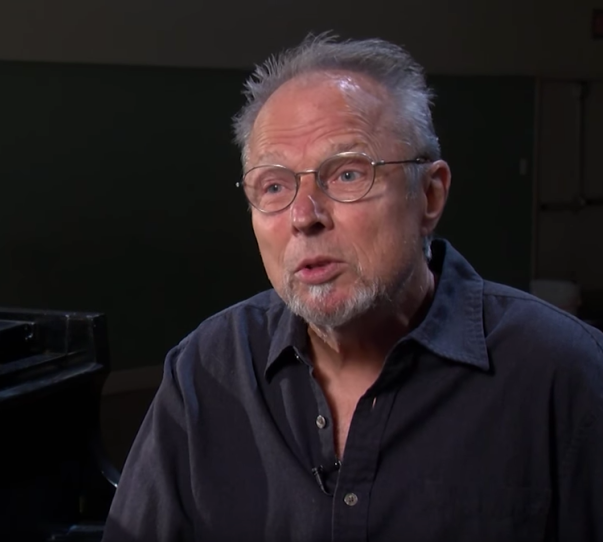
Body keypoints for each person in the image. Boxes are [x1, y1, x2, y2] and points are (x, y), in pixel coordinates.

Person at [101, 32, 603, 542]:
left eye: (346, 175)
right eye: (274, 186)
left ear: (429, 196)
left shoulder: (567, 374)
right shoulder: (204, 369)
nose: (303, 217)